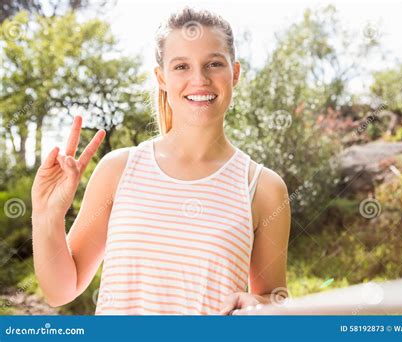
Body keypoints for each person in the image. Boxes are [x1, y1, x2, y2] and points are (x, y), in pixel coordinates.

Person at [31, 6, 291, 315]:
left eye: (213, 64)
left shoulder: (263, 188)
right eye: (181, 66)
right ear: (161, 78)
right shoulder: (118, 170)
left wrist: (257, 304)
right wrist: (48, 216)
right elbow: (61, 290)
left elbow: (275, 299)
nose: (200, 79)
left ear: (234, 73)